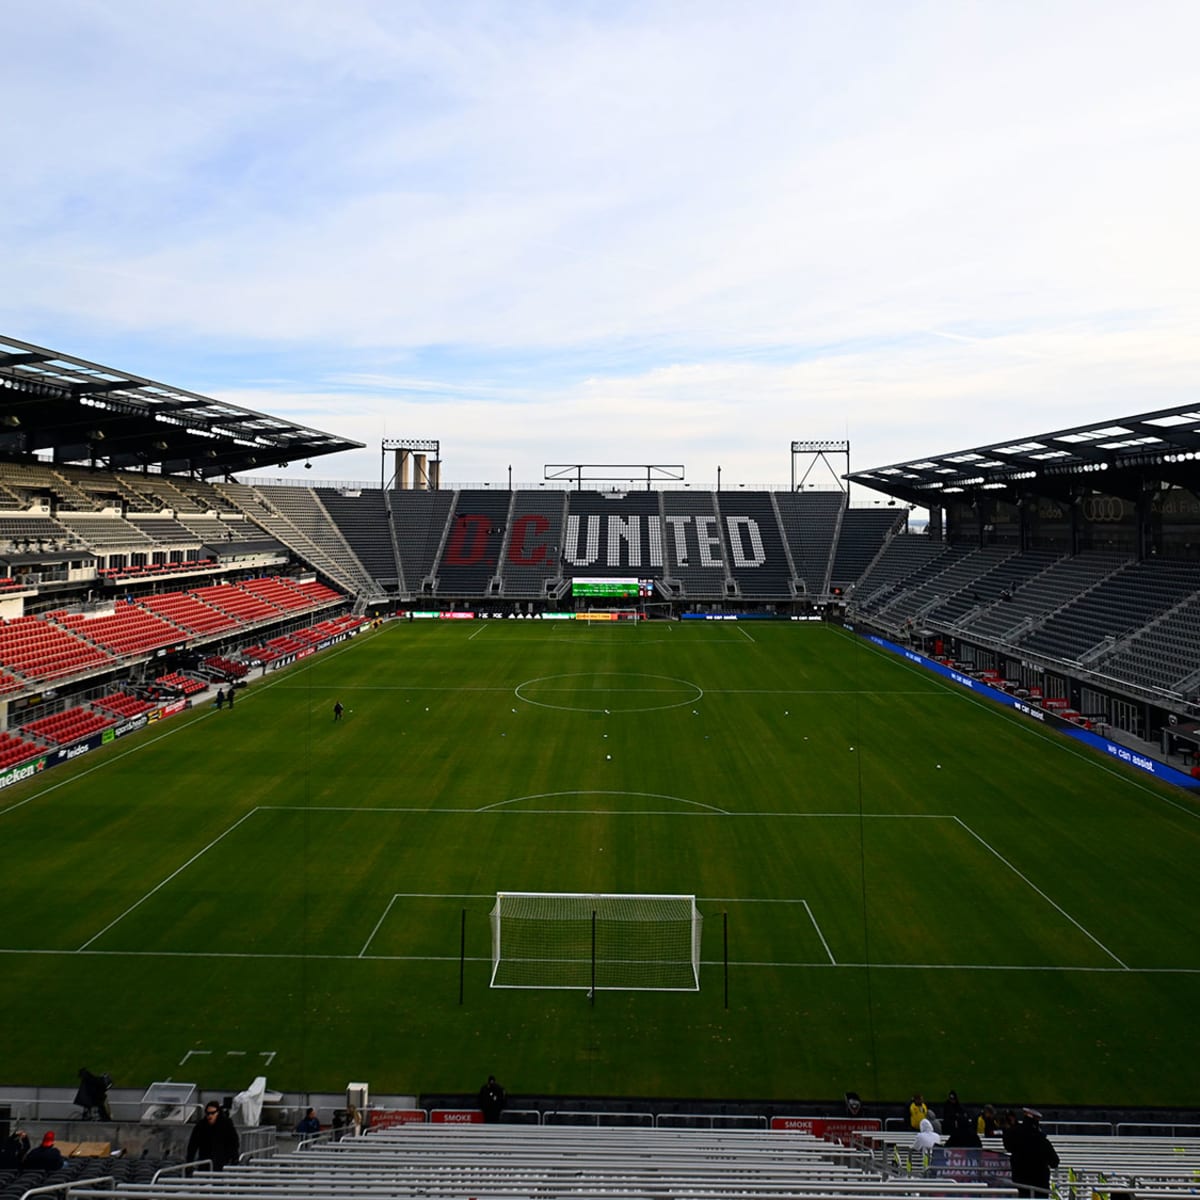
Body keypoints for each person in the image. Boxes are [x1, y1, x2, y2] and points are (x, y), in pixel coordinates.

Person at [1004, 1108, 1059, 1197]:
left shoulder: (1013, 1135)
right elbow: (1054, 1162)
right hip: (1040, 1187)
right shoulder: (1042, 1141)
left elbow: (1008, 1147)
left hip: (1020, 1185)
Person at [187, 1102, 240, 1172]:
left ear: (218, 1113)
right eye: (208, 1113)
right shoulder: (201, 1126)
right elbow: (193, 1145)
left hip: (222, 1162)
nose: (210, 1116)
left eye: (212, 1113)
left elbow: (234, 1142)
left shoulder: (226, 1125)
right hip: (205, 1161)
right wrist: (189, 1161)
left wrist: (234, 1158)